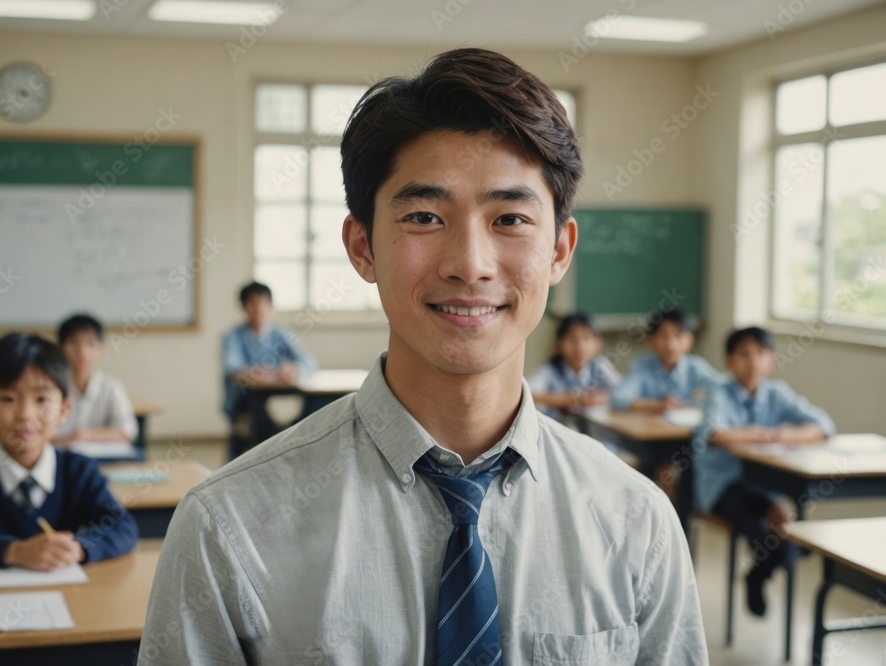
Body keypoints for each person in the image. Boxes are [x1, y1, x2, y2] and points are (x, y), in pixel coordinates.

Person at [140, 48, 706, 664]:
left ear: (560, 251)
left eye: (510, 217)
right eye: (425, 216)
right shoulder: (229, 527)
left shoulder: (636, 521)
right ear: (362, 247)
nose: (469, 263)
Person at [0, 333, 138, 570]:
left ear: (64, 410)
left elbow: (122, 526)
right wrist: (14, 551)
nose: (25, 414)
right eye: (8, 398)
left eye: (42, 399)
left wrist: (79, 548)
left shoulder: (78, 470)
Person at [695, 326, 834, 617]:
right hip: (720, 484)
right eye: (744, 354)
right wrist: (768, 434)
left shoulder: (776, 393)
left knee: (784, 525)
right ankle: (769, 566)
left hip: (760, 485)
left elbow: (823, 424)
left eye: (761, 353)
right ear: (729, 360)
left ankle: (760, 572)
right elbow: (716, 433)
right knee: (763, 533)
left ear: (771, 360)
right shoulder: (718, 392)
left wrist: (781, 436)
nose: (753, 361)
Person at [221, 281, 316, 458]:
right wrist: (253, 372)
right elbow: (231, 367)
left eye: (262, 303)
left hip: (277, 393)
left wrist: (294, 369)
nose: (258, 309)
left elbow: (308, 362)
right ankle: (270, 443)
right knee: (257, 418)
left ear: (270, 306)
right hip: (245, 398)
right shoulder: (233, 336)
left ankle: (289, 437)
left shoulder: (281, 335)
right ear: (243, 307)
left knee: (317, 403)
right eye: (251, 304)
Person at [611, 308, 722, 413]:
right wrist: (658, 405)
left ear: (690, 341)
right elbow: (617, 399)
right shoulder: (641, 366)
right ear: (652, 341)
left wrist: (701, 401)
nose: (671, 344)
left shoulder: (697, 367)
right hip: (650, 430)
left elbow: (724, 389)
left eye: (678, 336)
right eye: (663, 336)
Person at [53, 313, 138, 444]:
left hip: (104, 458)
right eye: (73, 342)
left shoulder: (111, 387)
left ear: (101, 349)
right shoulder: (52, 386)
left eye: (90, 344)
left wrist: (86, 435)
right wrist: (70, 439)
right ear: (60, 348)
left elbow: (128, 432)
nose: (81, 351)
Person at [528, 312, 620, 419]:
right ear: (559, 345)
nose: (580, 347)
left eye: (586, 339)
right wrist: (572, 400)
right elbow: (529, 394)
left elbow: (622, 392)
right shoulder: (550, 370)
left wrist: (599, 398)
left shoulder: (599, 366)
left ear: (598, 343)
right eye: (572, 340)